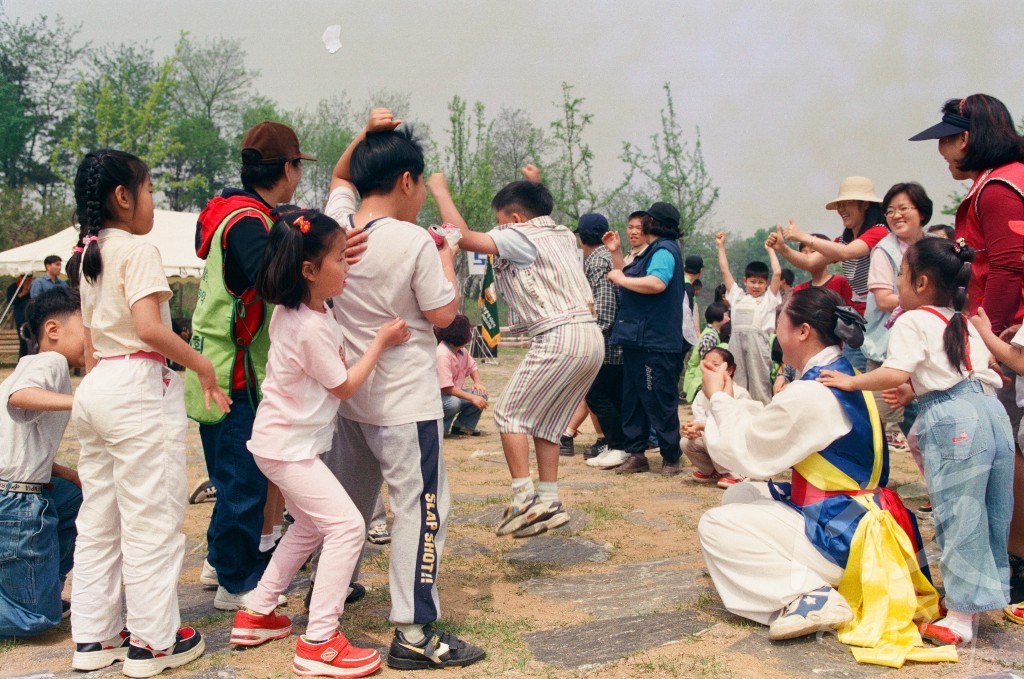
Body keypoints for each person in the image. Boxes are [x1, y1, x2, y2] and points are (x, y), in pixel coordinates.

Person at [698, 287, 945, 666]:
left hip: (843, 534)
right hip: (862, 520)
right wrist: (730, 400)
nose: (774, 331)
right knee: (740, 498)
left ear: (802, 331)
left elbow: (744, 453)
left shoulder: (814, 391)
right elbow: (769, 427)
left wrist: (718, 398)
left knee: (716, 524)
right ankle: (818, 583)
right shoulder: (847, 377)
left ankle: (809, 596)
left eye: (779, 321)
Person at [322, 108, 484, 669]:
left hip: (351, 399)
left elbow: (340, 179)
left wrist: (364, 134)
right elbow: (443, 314)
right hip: (406, 404)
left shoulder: (337, 226)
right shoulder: (413, 240)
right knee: (417, 512)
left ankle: (329, 606)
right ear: (409, 182)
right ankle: (414, 633)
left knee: (346, 507)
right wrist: (448, 256)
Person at [67, 149, 231, 676]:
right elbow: (150, 328)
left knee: (99, 519)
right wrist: (202, 365)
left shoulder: (88, 256)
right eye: (151, 190)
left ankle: (95, 637)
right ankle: (155, 641)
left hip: (98, 388)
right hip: (136, 385)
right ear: (123, 196)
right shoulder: (138, 249)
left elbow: (90, 346)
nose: (153, 201)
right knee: (150, 520)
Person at [229, 208, 408, 677]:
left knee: (308, 527)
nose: (347, 268)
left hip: (282, 444)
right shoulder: (307, 327)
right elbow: (344, 386)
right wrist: (382, 341)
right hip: (288, 449)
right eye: (339, 261)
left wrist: (334, 241)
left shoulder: (299, 309)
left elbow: (305, 243)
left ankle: (258, 611)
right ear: (308, 271)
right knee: (348, 526)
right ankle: (320, 640)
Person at [819, 237, 1013, 646]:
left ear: (921, 282)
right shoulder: (957, 320)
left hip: (957, 420)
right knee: (992, 509)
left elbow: (893, 372)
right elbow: (966, 369)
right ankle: (978, 600)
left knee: (959, 511)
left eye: (901, 275)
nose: (899, 285)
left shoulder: (912, 319)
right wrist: (916, 390)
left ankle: (960, 617)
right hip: (993, 414)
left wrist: (852, 381)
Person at [188, 121, 314, 610]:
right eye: (299, 166)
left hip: (220, 368)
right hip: (231, 375)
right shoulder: (247, 221)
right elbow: (273, 282)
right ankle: (235, 582)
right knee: (243, 482)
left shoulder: (236, 213)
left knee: (236, 480)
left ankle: (224, 564)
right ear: (287, 168)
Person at [435, 163, 603, 520]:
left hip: (559, 334)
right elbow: (536, 210)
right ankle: (550, 499)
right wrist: (533, 183)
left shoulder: (519, 235)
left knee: (509, 414)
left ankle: (524, 500)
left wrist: (439, 190)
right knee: (548, 424)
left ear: (513, 218)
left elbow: (462, 235)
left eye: (502, 221)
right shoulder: (560, 234)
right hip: (590, 336)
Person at [911, 94, 1024, 619]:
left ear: (967, 139)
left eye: (946, 140)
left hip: (1010, 338)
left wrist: (992, 341)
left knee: (1012, 461)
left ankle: (1013, 573)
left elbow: (1008, 269)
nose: (942, 152)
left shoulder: (1000, 188)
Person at [0, 288, 84, 638]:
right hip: (15, 500)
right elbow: (19, 398)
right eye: (87, 326)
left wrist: (67, 473)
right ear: (53, 330)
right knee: (36, 620)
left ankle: (37, 586)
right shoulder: (49, 362)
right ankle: (31, 601)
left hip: (19, 487)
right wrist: (83, 399)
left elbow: (19, 447)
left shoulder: (38, 364)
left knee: (73, 496)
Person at [597, 202, 686, 474]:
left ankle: (671, 456)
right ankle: (636, 453)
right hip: (637, 339)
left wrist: (620, 280)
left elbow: (656, 283)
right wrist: (616, 255)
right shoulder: (648, 252)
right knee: (633, 399)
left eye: (644, 221)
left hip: (655, 341)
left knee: (659, 399)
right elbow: (627, 275)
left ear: (654, 223)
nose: (640, 226)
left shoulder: (664, 250)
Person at [771, 177, 889, 371]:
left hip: (880, 321)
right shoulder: (844, 240)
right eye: (839, 205)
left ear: (865, 204)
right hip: (857, 325)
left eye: (846, 204)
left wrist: (802, 236)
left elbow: (847, 253)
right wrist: (783, 248)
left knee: (875, 385)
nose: (841, 210)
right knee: (853, 379)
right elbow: (810, 261)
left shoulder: (878, 232)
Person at [861, 183, 931, 453]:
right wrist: (926, 300)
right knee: (882, 425)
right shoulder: (884, 249)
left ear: (921, 212)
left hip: (924, 345)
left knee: (923, 420)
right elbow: (883, 299)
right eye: (890, 211)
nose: (896, 216)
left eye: (903, 208)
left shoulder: (931, 246)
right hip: (887, 349)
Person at [576, 213, 626, 464]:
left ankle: (617, 444)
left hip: (607, 341)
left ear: (581, 238)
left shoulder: (597, 261)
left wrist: (595, 334)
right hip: (618, 337)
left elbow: (604, 305)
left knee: (597, 395)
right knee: (614, 394)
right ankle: (620, 444)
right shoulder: (608, 256)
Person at [715, 230, 782, 403]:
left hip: (758, 346)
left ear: (766, 283)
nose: (756, 286)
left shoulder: (768, 299)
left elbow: (777, 273)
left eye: (761, 282)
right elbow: (724, 271)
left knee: (759, 386)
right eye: (753, 281)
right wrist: (721, 246)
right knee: (737, 385)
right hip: (736, 344)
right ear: (745, 280)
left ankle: (763, 419)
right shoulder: (737, 296)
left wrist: (770, 249)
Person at [681, 347, 748, 487]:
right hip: (715, 444)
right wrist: (693, 430)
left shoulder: (740, 393)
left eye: (715, 365)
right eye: (706, 366)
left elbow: (740, 427)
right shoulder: (701, 396)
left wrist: (703, 427)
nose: (710, 370)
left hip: (737, 447)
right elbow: (700, 420)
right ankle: (711, 471)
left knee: (711, 433)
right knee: (686, 442)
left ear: (729, 370)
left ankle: (735, 473)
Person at [435, 314, 489, 436]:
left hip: (453, 394)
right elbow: (446, 387)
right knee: (454, 403)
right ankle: (440, 430)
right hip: (440, 397)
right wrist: (472, 398)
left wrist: (477, 383)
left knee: (481, 394)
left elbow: (472, 366)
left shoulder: (461, 350)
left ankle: (463, 427)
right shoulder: (442, 354)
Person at [682, 302, 730, 404]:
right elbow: (709, 363)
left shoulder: (712, 333)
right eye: (726, 315)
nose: (728, 318)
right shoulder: (710, 337)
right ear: (717, 315)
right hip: (699, 382)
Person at [788, 235, 854, 304]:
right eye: (804, 253)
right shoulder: (799, 290)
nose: (808, 257)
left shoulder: (842, 283)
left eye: (813, 252)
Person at [5, 274, 33, 357]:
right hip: (21, 317)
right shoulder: (12, 288)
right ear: (19, 277)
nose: (27, 279)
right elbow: (10, 302)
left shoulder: (35, 286)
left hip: (33, 316)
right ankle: (22, 359)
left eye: (29, 277)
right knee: (23, 341)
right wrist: (22, 294)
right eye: (25, 277)